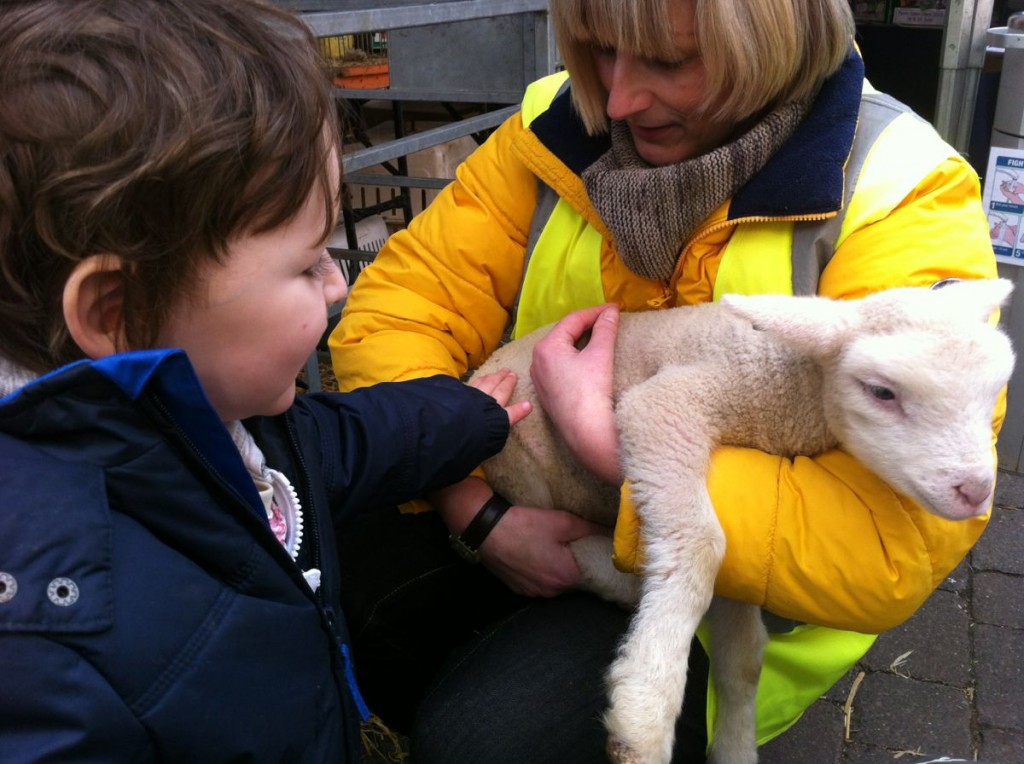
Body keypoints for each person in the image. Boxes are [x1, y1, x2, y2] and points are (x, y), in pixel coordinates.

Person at [330, 0, 1005, 761]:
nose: (616, 100)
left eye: (670, 60)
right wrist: (477, 512)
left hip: (739, 602)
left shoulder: (901, 190)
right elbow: (397, 308)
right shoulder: (552, 123)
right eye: (600, 49)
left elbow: (892, 544)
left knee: (497, 739)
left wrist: (610, 447)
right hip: (526, 489)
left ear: (775, 43)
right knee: (326, 548)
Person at [0, 1, 533, 761]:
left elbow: (343, 444)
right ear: (118, 312)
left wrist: (471, 413)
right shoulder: (48, 658)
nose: (337, 285)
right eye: (306, 261)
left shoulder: (222, 422)